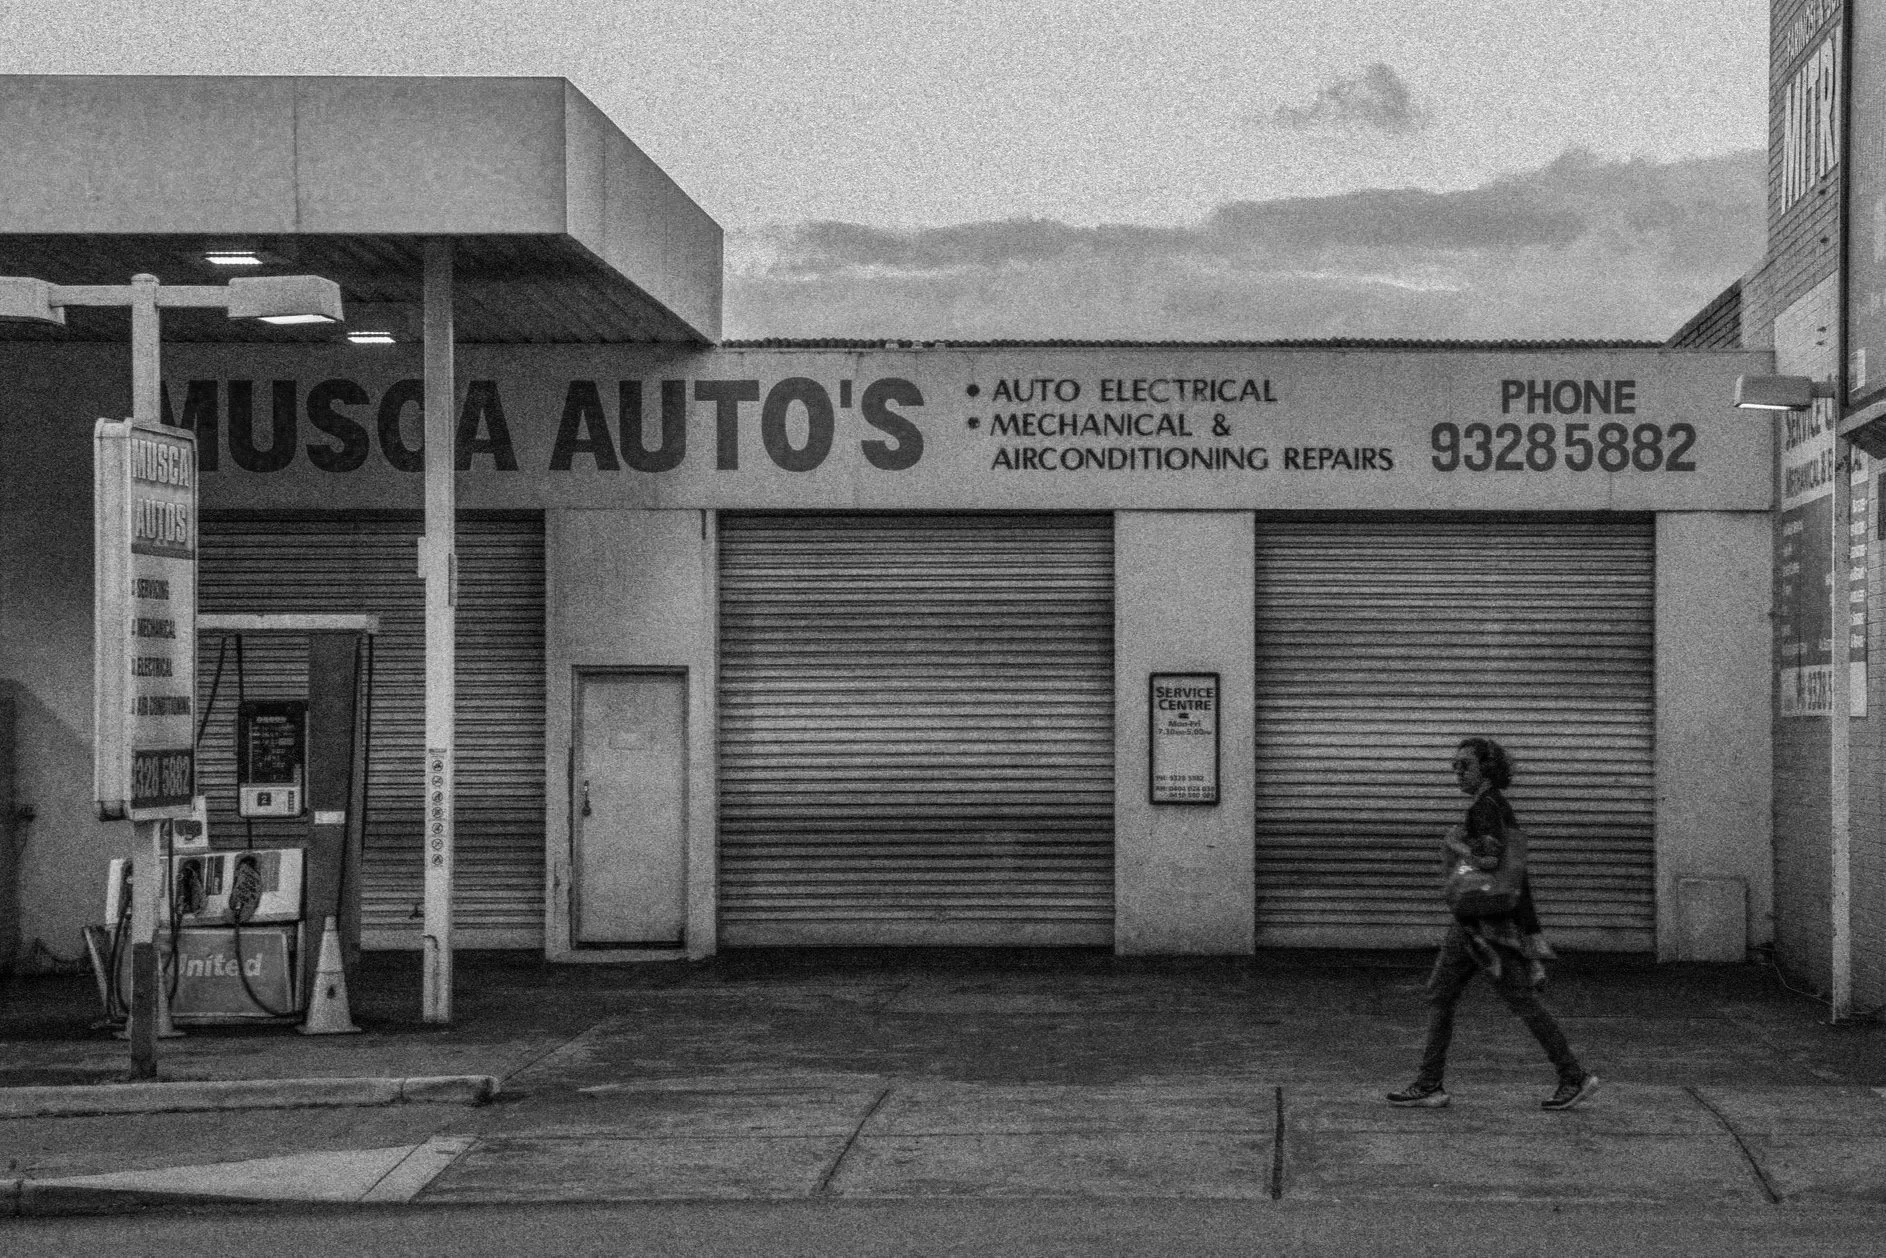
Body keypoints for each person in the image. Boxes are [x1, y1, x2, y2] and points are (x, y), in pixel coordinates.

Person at [1386, 736, 1600, 1111]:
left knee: (1514, 1001)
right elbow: (1518, 877)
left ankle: (1573, 1076)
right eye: (1454, 766)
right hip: (1479, 925)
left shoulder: (1485, 809)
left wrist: (1455, 845)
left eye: (1465, 766)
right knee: (1442, 995)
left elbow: (1489, 863)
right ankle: (1429, 1083)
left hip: (1484, 927)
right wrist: (1531, 937)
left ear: (1486, 769)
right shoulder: (1499, 807)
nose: (1457, 773)